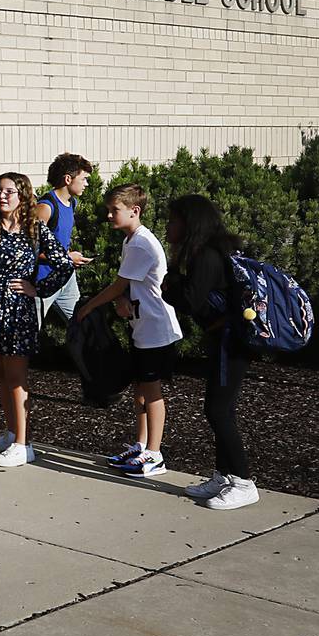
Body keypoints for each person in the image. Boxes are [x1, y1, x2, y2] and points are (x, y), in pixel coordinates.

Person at [0, 172, 74, 468]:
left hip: (16, 312)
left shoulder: (35, 228)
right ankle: (12, 433)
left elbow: (63, 264)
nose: (2, 196)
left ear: (22, 195)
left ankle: (24, 445)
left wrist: (37, 289)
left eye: (9, 191)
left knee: (16, 378)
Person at [74, 184, 183, 478]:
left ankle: (155, 455)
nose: (109, 215)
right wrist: (124, 301)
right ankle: (141, 445)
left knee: (152, 392)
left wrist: (88, 307)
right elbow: (134, 286)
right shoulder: (131, 240)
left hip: (156, 330)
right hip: (142, 327)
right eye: (109, 209)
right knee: (140, 390)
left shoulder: (139, 243)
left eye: (115, 210)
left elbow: (119, 285)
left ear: (135, 211)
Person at [163, 194, 260, 510]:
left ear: (190, 223)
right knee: (221, 408)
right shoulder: (212, 251)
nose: (168, 225)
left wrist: (172, 278)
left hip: (230, 342)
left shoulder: (206, 256)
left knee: (218, 410)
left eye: (174, 219)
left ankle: (244, 482)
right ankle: (223, 476)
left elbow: (189, 302)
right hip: (226, 339)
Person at [32, 153, 94, 327]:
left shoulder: (71, 203)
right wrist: (67, 257)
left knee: (82, 326)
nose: (87, 184)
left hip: (66, 278)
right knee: (28, 334)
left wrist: (69, 257)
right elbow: (29, 250)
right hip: (42, 282)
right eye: (84, 179)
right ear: (68, 179)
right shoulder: (45, 207)